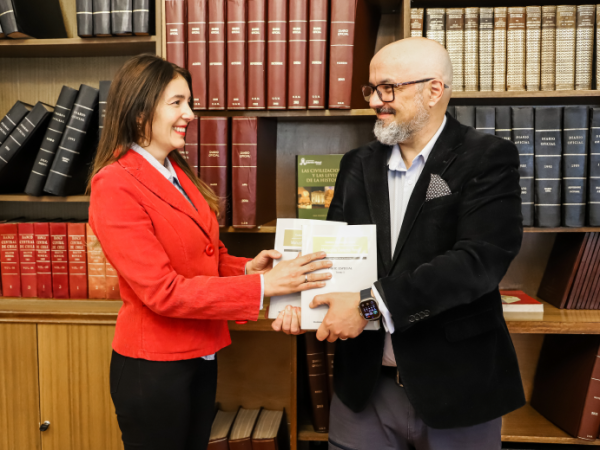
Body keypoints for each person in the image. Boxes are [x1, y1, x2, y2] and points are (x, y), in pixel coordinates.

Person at [273, 37, 525, 449]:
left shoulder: (488, 158)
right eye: (371, 89)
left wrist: (369, 305)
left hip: (457, 387)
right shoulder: (357, 163)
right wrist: (297, 306)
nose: (376, 100)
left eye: (388, 88)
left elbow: (478, 262)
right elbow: (335, 253)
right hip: (364, 389)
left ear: (434, 90)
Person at [87, 54, 331, 450]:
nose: (191, 114)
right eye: (177, 103)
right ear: (138, 113)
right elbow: (162, 291)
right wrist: (263, 288)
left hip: (201, 354)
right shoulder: (115, 184)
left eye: (190, 102)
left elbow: (207, 256)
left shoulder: (177, 172)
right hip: (154, 368)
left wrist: (248, 268)